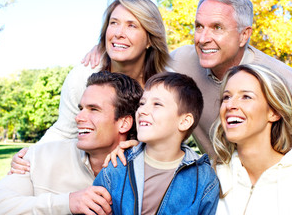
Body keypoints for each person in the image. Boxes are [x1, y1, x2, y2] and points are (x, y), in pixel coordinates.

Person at [83, 0, 292, 165]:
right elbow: (143, 64)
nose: (203, 38)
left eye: (217, 28)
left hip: (273, 184)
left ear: (244, 35)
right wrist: (109, 49)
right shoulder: (182, 61)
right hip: (218, 183)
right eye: (199, 26)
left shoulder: (281, 77)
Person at [9, 0, 170, 174]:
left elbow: (174, 139)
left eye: (131, 25)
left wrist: (141, 149)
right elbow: (64, 130)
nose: (118, 33)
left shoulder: (165, 84)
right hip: (91, 173)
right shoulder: (84, 76)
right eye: (114, 23)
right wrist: (28, 157)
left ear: (150, 38)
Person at [0, 71, 143, 215]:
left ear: (124, 123)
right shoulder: (38, 157)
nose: (79, 117)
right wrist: (67, 203)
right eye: (81, 109)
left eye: (94, 109)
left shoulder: (147, 167)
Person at [93, 72, 219, 214]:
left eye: (157, 104)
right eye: (142, 103)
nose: (142, 110)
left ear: (184, 122)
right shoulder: (117, 166)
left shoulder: (203, 179)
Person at [212, 64, 292, 214]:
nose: (230, 105)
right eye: (226, 97)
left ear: (274, 112)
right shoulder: (212, 175)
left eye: (246, 97)